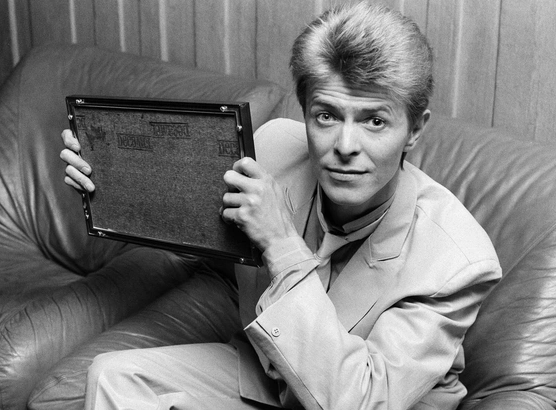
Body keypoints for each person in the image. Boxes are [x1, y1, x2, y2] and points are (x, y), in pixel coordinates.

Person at [60, 2, 501, 409]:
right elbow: (196, 223)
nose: (345, 146)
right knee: (115, 376)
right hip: (272, 377)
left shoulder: (457, 261)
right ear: (305, 112)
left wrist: (281, 243)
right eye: (326, 115)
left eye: (375, 121)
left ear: (414, 130)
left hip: (362, 396)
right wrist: (110, 180)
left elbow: (361, 399)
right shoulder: (273, 150)